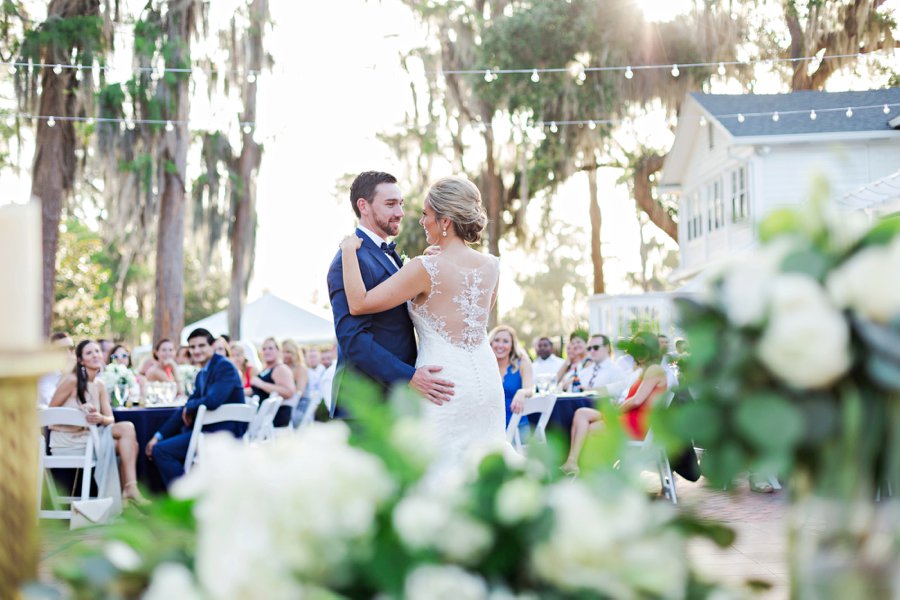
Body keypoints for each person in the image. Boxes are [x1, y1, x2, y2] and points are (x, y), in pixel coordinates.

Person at [339, 175, 506, 467]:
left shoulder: (423, 268)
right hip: (486, 378)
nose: (420, 221)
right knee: (484, 461)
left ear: (445, 221)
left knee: (441, 465)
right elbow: (476, 319)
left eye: (426, 214)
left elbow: (359, 303)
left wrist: (347, 251)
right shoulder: (492, 265)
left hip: (441, 382)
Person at [327, 171, 455, 413]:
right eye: (390, 204)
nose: (400, 212)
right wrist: (409, 376)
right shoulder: (349, 260)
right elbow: (353, 339)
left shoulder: (387, 254)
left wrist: (424, 272)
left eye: (401, 204)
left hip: (393, 400)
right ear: (363, 206)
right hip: (365, 404)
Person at [49, 340, 147, 504]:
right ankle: (128, 493)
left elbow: (110, 419)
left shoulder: (100, 385)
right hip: (68, 440)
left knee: (128, 433)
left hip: (90, 437)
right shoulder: (71, 380)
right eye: (89, 353)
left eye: (97, 351)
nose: (95, 355)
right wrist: (79, 415)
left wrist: (100, 418)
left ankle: (129, 490)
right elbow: (50, 414)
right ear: (81, 360)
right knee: (130, 444)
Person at [145, 328, 245, 489]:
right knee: (160, 445)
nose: (196, 351)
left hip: (224, 434)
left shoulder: (224, 367)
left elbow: (212, 401)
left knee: (162, 451)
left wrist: (190, 407)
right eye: (192, 347)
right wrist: (158, 436)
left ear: (212, 346)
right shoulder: (202, 373)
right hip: (206, 431)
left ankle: (189, 497)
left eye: (201, 346)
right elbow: (185, 407)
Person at [561, 332, 668, 476]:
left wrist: (617, 410)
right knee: (581, 413)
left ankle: (596, 473)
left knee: (591, 428)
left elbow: (637, 400)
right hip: (627, 417)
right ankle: (572, 462)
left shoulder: (655, 369)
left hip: (637, 423)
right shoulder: (642, 371)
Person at [490, 325, 533, 442]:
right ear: (491, 343)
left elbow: (530, 389)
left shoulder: (523, 363)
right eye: (497, 340)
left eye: (505, 341)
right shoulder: (485, 365)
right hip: (491, 426)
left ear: (512, 345)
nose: (500, 345)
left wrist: (522, 392)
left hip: (517, 427)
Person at [250, 338, 297, 427]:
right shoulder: (266, 369)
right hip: (262, 415)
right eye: (264, 349)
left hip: (272, 417)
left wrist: (261, 384)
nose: (267, 351)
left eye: (270, 348)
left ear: (278, 351)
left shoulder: (281, 368)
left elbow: (289, 392)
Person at [38, 332, 75, 407]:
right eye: (63, 349)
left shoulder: (80, 372)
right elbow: (51, 405)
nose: (68, 353)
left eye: (71, 348)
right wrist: (66, 374)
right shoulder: (46, 375)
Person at [282, 339, 312, 425]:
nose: (285, 355)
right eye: (282, 352)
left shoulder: (300, 368)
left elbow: (300, 393)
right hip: (286, 405)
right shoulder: (281, 368)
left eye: (288, 352)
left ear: (295, 353)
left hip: (299, 408)